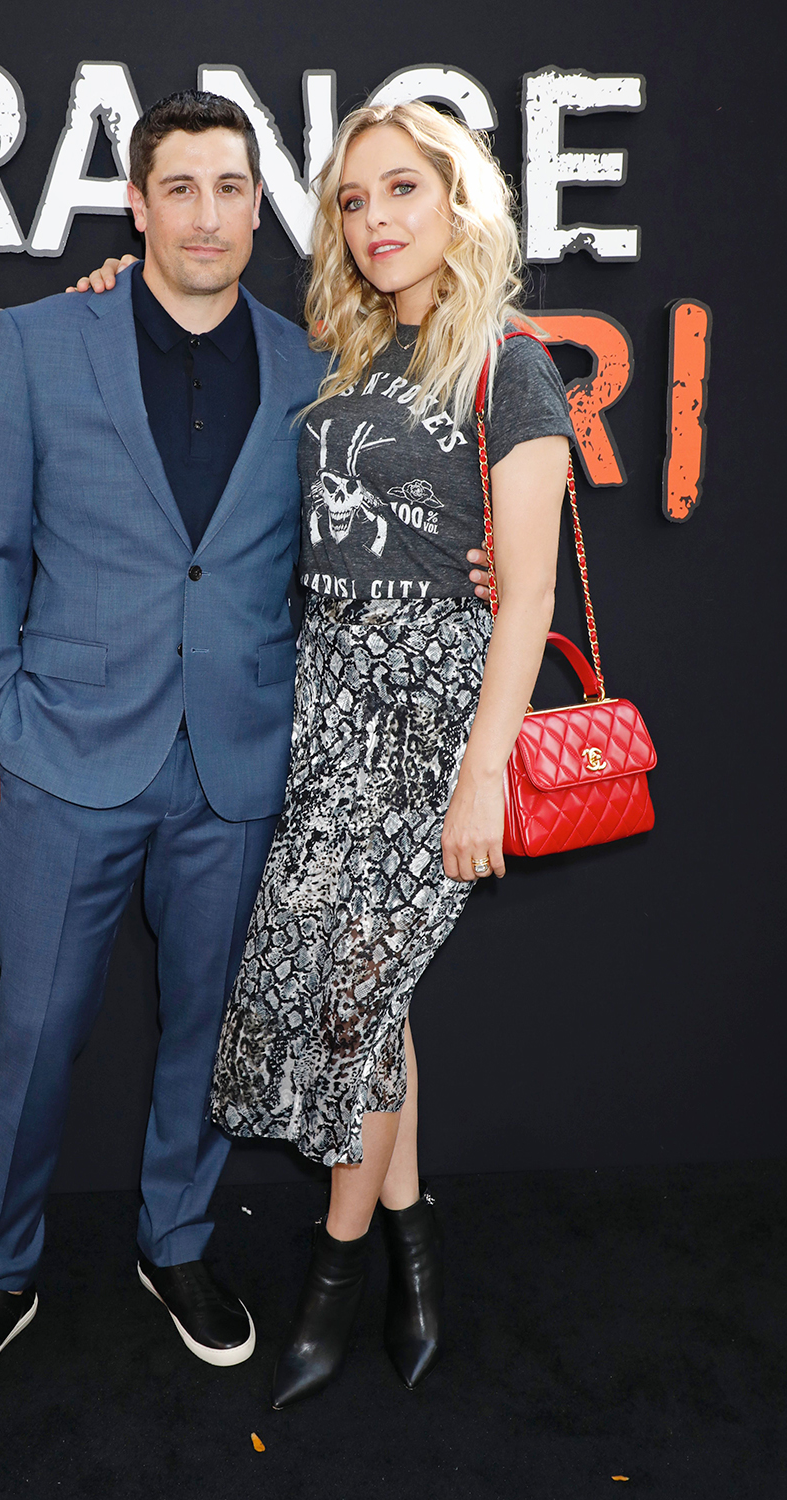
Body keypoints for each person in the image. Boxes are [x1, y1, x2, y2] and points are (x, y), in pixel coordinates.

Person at [0, 89, 492, 1421]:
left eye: (233, 187)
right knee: (35, 1035)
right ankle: (0, 1275)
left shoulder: (313, 369)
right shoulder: (41, 341)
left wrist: (480, 551)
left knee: (202, 1042)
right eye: (182, 188)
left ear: (256, 206)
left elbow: (376, 523)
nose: (209, 215)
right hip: (67, 757)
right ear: (139, 203)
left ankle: (176, 1245)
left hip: (236, 764)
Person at [208, 101, 574, 1408]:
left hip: (439, 720)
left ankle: (337, 1269)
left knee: (357, 999)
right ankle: (419, 1251)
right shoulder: (344, 355)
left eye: (402, 190)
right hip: (333, 702)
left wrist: (484, 773)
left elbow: (525, 595)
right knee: (366, 1006)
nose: (376, 222)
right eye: (354, 201)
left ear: (459, 199)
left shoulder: (510, 361)